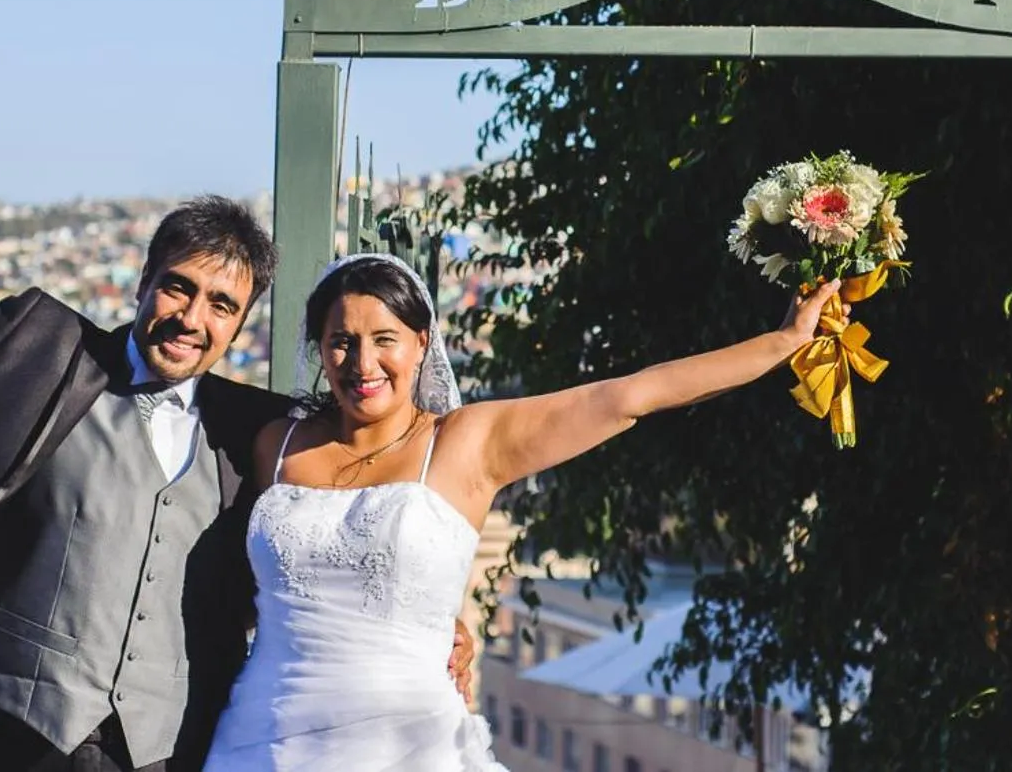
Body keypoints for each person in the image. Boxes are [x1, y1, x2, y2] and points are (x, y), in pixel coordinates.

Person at [0, 65, 471, 772]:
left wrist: (438, 629)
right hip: (14, 740)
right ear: (142, 283)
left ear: (240, 327)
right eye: (177, 288)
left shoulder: (262, 433)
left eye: (220, 305)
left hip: (168, 752)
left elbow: (381, 488)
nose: (190, 318)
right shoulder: (35, 357)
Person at [203, 250, 841, 772]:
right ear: (319, 347)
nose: (362, 363)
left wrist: (782, 342)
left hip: (407, 749)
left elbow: (628, 397)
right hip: (261, 741)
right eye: (341, 342)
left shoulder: (466, 442)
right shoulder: (273, 445)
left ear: (422, 343)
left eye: (384, 340)